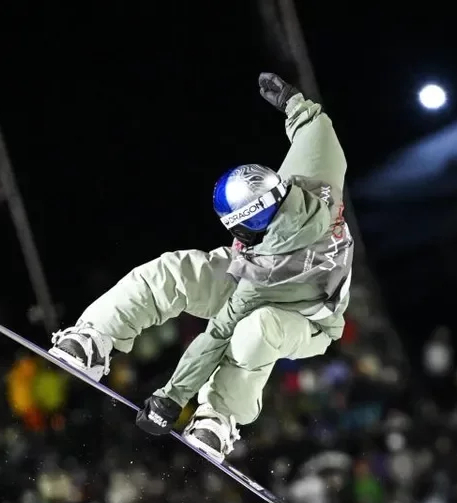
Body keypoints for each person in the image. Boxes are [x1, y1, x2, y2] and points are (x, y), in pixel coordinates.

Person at [48, 73, 352, 461]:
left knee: (252, 333)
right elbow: (317, 128)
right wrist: (293, 102)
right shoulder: (312, 181)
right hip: (255, 273)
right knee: (175, 272)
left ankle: (220, 417)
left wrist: (170, 400)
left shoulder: (265, 270)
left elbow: (214, 338)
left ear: (247, 224)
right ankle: (94, 339)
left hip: (307, 318)